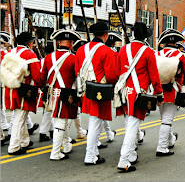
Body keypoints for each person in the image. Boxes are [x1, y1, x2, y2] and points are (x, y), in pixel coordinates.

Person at [116, 22, 164, 172]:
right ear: (145, 37)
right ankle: (124, 160)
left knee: (129, 124)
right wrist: (159, 93)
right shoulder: (148, 52)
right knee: (132, 127)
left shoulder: (123, 49)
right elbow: (154, 76)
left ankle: (131, 155)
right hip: (138, 94)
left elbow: (118, 71)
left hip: (124, 92)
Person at [75, 22, 118, 165]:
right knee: (95, 123)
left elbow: (77, 70)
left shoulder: (81, 50)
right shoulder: (108, 51)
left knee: (95, 121)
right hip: (101, 90)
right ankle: (90, 156)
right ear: (105, 35)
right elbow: (112, 75)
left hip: (87, 89)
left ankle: (94, 152)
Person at [41, 30, 82, 160]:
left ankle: (66, 144)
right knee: (60, 123)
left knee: (60, 121)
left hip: (51, 93)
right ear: (70, 43)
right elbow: (78, 77)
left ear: (58, 43)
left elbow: (42, 77)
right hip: (65, 94)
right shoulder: (73, 58)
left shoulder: (48, 57)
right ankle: (55, 152)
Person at [156, 29, 185, 157]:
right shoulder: (181, 56)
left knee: (164, 118)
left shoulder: (157, 54)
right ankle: (161, 147)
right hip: (173, 89)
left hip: (158, 89)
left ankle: (170, 140)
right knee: (167, 120)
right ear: (175, 43)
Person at [4, 32, 42, 155]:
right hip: (24, 89)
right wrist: (42, 85)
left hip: (9, 88)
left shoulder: (11, 52)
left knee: (22, 117)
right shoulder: (30, 54)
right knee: (19, 119)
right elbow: (36, 76)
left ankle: (25, 141)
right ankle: (14, 147)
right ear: (29, 43)